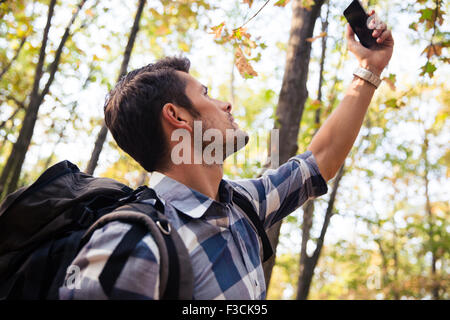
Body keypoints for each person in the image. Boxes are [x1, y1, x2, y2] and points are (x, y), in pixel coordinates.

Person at [59, 12, 394, 299]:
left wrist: (368, 69)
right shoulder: (130, 242)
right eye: (206, 93)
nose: (226, 104)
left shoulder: (244, 205)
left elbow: (320, 159)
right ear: (177, 117)